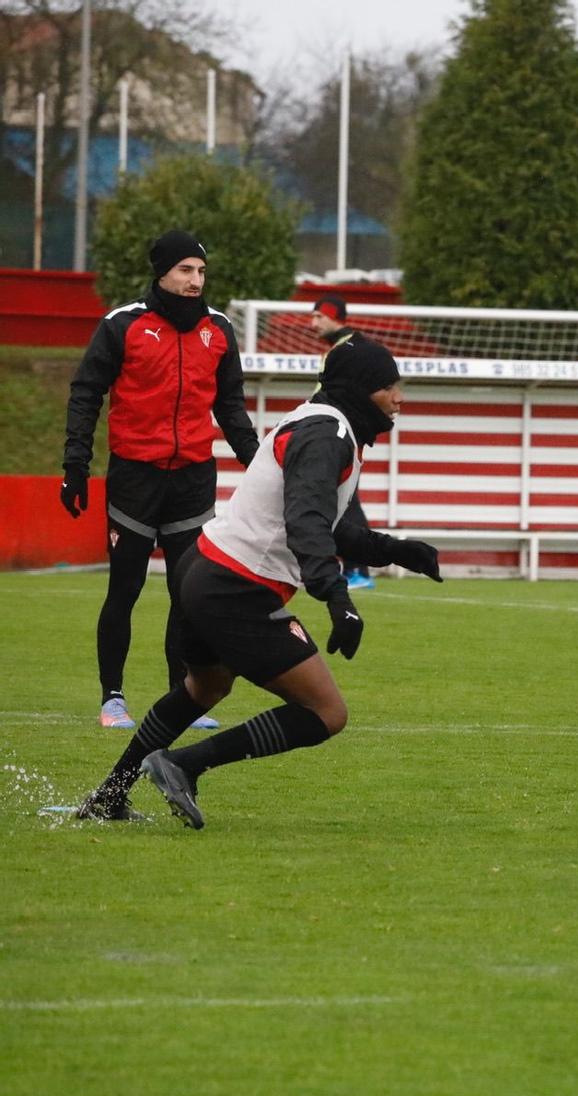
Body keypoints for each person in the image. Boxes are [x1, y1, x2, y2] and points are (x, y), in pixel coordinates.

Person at [72, 334, 444, 826]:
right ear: (358, 388)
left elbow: (322, 524)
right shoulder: (326, 435)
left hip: (204, 568)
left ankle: (109, 796)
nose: (398, 397)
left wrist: (393, 550)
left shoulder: (319, 422)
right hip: (236, 587)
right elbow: (306, 524)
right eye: (387, 386)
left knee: (204, 689)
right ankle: (184, 765)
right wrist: (337, 597)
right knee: (326, 713)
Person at [62, 230, 259, 731]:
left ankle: (182, 699)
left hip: (193, 480)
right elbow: (86, 393)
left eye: (201, 271)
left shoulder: (219, 331)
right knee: (124, 589)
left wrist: (261, 469)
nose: (196, 281)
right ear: (163, 272)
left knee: (188, 594)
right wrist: (75, 466)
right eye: (185, 270)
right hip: (134, 480)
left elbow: (231, 407)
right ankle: (113, 700)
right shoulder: (122, 325)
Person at [310, 294, 373, 592]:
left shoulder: (344, 349)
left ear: (335, 317)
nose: (313, 324)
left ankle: (358, 568)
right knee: (343, 500)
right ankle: (355, 567)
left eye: (318, 317)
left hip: (341, 435)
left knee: (346, 501)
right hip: (341, 433)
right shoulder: (347, 347)